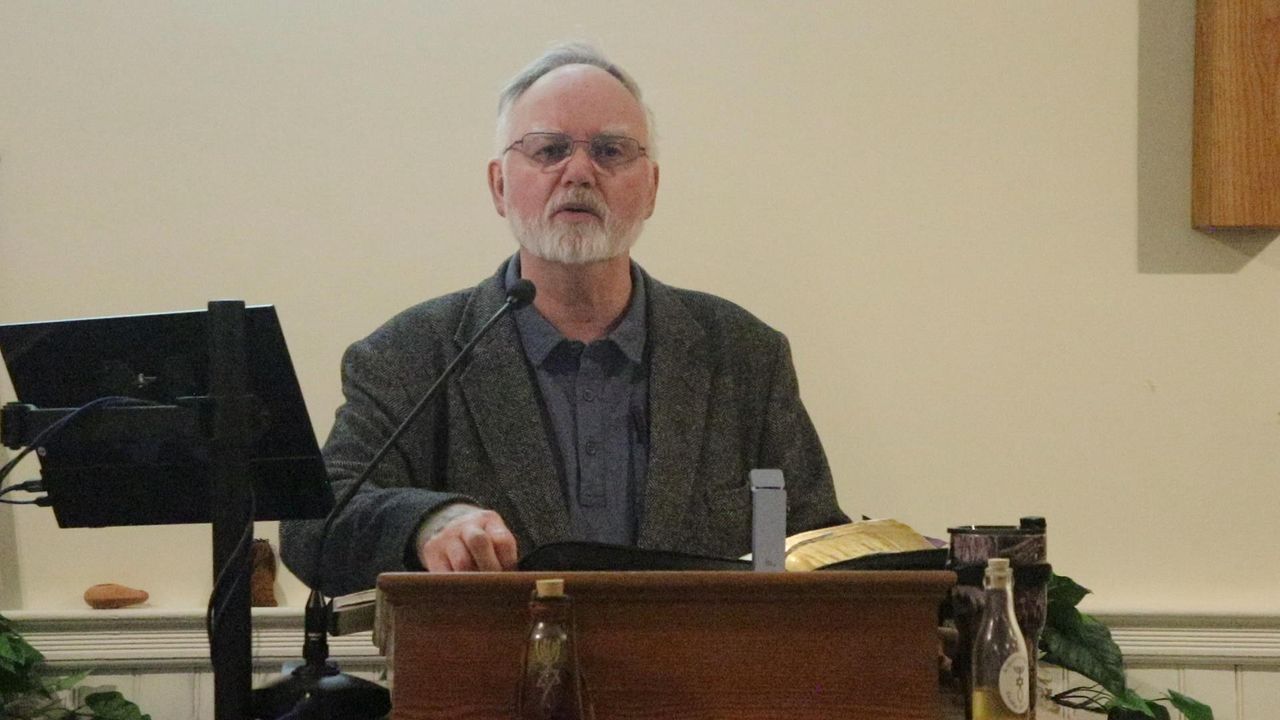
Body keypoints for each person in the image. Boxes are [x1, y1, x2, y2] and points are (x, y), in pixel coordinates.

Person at [281, 43, 849, 597]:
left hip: (702, 664)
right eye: (549, 149)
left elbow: (819, 545)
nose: (579, 172)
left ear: (651, 189)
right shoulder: (411, 355)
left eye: (610, 151)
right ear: (499, 186)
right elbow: (313, 525)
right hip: (492, 664)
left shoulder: (744, 355)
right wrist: (427, 524)